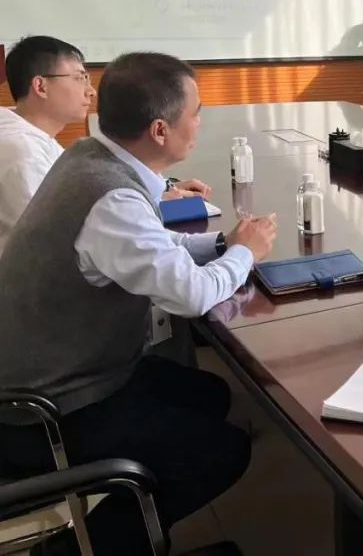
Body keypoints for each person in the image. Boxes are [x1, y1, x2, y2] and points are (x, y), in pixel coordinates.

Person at [0, 52, 278, 554]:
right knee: (222, 452)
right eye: (195, 112)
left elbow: (151, 244)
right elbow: (190, 296)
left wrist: (222, 244)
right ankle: (83, 549)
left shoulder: (90, 156)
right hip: (46, 411)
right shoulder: (111, 197)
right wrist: (245, 254)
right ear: (159, 130)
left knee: (210, 395)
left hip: (63, 374)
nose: (200, 122)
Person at [0, 35, 209, 258]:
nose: (91, 91)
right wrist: (147, 203)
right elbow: (60, 235)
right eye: (79, 78)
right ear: (41, 86)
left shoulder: (30, 137)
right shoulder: (23, 153)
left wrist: (153, 192)